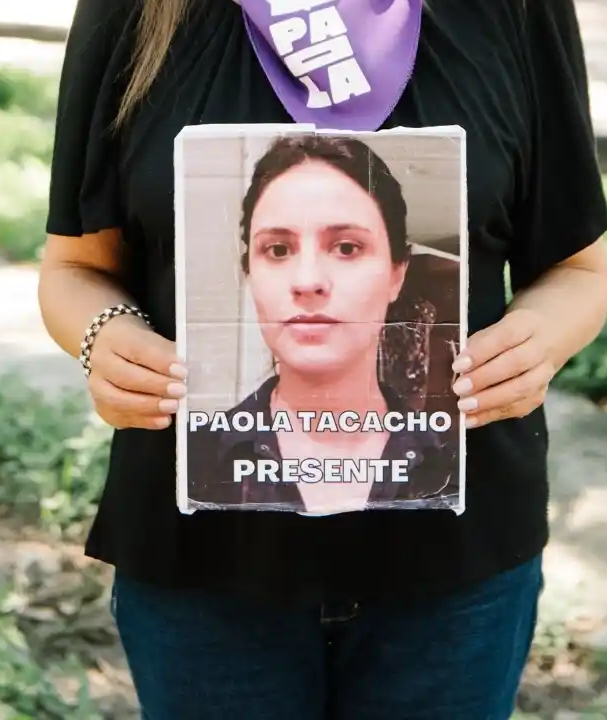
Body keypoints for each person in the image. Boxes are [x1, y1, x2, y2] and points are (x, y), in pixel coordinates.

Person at [38, 0, 607, 720]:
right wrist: (103, 341)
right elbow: (73, 267)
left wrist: (539, 338)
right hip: (204, 571)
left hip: (455, 570)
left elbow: (579, 265)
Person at [185, 133, 460, 514]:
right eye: (278, 250)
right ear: (249, 273)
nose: (307, 281)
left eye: (347, 248)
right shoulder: (190, 458)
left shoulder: (450, 466)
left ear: (397, 273)